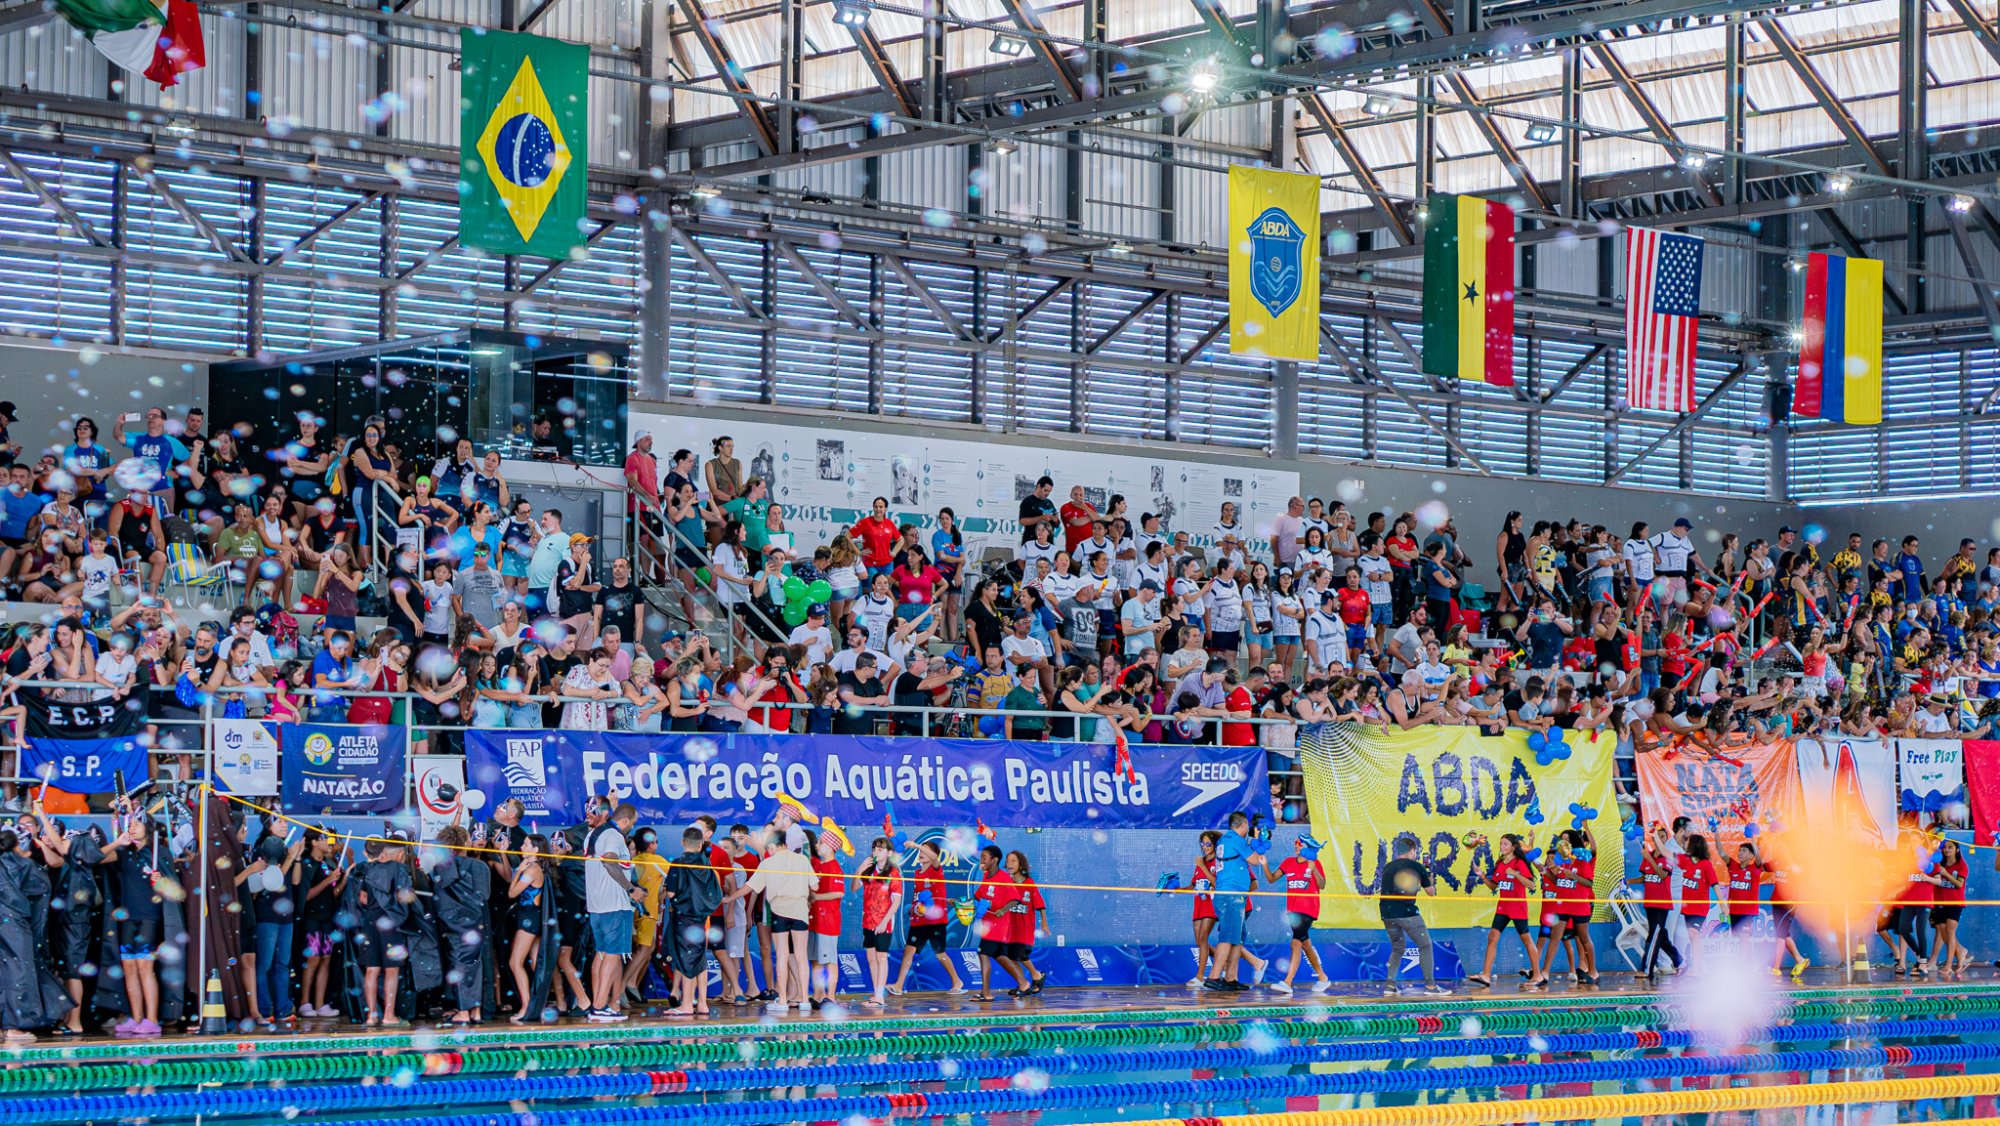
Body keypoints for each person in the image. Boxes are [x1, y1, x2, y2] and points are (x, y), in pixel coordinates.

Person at [724, 827, 814, 1013]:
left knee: (782, 955)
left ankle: (782, 1001)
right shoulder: (802, 860)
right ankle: (805, 1000)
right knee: (801, 956)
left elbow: (750, 887)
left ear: (772, 846)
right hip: (800, 912)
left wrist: (730, 898)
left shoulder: (768, 862)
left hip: (780, 913)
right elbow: (815, 885)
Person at [581, 799, 642, 1021]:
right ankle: (599, 1006)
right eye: (632, 824)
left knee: (603, 954)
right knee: (613, 955)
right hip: (615, 905)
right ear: (625, 821)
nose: (631, 828)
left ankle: (601, 1006)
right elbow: (609, 862)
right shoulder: (614, 836)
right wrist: (631, 888)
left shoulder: (592, 835)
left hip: (596, 906)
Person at [430, 824, 488, 1027]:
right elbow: (484, 895)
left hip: (453, 924)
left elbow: (439, 899)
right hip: (475, 922)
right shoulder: (480, 867)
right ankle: (475, 1011)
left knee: (460, 964)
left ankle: (464, 1012)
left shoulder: (440, 868)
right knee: (475, 964)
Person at [1465, 831, 1540, 989]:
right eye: (1500, 843)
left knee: (1527, 940)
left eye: (1505, 844)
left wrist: (1515, 874)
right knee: (1492, 936)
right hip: (1503, 907)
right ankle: (1486, 975)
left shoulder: (1519, 862)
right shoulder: (1500, 863)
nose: (1502, 846)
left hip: (1518, 907)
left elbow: (1532, 885)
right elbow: (1494, 886)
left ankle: (1538, 975)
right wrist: (1482, 875)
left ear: (1513, 847)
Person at [660, 826, 721, 1017]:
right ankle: (702, 1003)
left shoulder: (678, 863)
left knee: (686, 958)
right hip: (701, 917)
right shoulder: (706, 864)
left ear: (682, 842)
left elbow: (671, 893)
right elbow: (716, 893)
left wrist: (673, 896)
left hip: (684, 918)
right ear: (700, 844)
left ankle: (686, 1004)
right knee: (698, 957)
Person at [891, 839, 964, 995]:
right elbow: (918, 897)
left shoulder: (937, 869)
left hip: (936, 922)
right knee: (909, 951)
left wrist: (917, 845)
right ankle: (898, 986)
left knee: (940, 953)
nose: (921, 853)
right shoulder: (917, 873)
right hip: (919, 921)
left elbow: (935, 859)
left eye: (925, 851)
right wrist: (914, 909)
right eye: (920, 851)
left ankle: (957, 981)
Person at [1378, 833, 1447, 995]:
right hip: (1407, 913)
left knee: (1397, 948)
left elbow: (1402, 888)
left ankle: (1390, 985)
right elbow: (1431, 892)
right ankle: (1431, 987)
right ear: (1411, 851)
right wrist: (1430, 878)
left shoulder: (1388, 867)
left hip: (1387, 914)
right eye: (1415, 852)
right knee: (1425, 945)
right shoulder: (1416, 867)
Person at [1203, 811, 1257, 992]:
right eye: (1248, 825)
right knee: (1227, 937)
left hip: (1232, 896)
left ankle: (1231, 978)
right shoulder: (1236, 840)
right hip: (1231, 896)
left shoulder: (1225, 840)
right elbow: (1255, 860)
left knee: (1237, 938)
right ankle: (1213, 977)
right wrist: (1258, 841)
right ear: (1243, 825)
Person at [971, 843, 1029, 1002]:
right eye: (981, 857)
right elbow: (978, 896)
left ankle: (986, 993)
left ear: (995, 860)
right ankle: (1023, 983)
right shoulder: (986, 876)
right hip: (987, 924)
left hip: (998, 926)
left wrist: (1002, 910)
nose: (982, 860)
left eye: (985, 858)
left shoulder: (1003, 877)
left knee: (984, 953)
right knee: (999, 955)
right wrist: (960, 902)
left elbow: (1016, 899)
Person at [855, 837, 904, 1008]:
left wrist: (884, 922)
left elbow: (896, 901)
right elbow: (854, 887)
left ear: (889, 853)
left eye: (880, 849)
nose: (876, 852)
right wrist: (859, 869)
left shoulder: (893, 873)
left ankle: (879, 996)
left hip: (883, 922)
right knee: (871, 958)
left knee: (881, 957)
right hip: (867, 921)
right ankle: (876, 993)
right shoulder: (868, 871)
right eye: (874, 848)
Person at [808, 831, 846, 1008]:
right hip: (814, 920)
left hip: (828, 922)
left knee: (829, 959)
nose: (817, 846)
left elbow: (839, 893)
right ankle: (818, 994)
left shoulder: (834, 867)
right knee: (815, 959)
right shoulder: (818, 866)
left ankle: (831, 996)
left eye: (821, 843)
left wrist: (817, 897)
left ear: (831, 847)